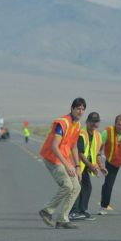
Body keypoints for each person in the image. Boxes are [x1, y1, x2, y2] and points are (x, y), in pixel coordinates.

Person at [38, 98, 86, 229]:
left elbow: (74, 147)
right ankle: (47, 211)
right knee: (67, 186)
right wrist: (67, 165)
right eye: (78, 108)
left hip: (63, 158)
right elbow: (54, 146)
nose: (80, 111)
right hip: (52, 158)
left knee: (76, 187)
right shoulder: (63, 123)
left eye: (82, 109)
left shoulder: (78, 125)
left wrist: (77, 167)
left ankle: (62, 219)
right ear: (72, 109)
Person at [69, 112, 108, 221]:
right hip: (76, 165)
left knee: (86, 187)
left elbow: (98, 153)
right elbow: (80, 153)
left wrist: (101, 166)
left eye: (96, 122)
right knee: (77, 188)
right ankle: (73, 212)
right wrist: (90, 166)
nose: (94, 124)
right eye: (92, 122)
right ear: (87, 122)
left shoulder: (98, 135)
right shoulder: (82, 134)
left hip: (85, 166)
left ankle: (81, 211)